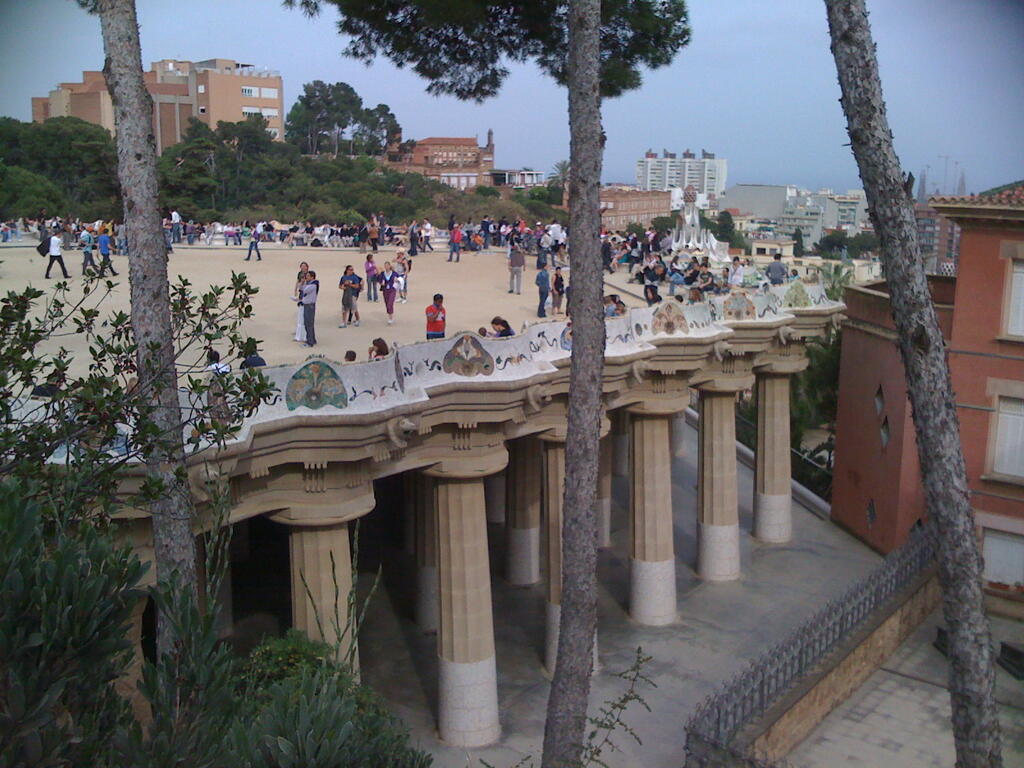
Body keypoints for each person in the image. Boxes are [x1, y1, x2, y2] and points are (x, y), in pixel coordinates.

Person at [297, 270, 319, 347]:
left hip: (310, 306)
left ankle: (310, 342)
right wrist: (302, 282)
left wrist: (304, 282)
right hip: (307, 305)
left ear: (312, 277)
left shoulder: (313, 285)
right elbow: (300, 288)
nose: (306, 277)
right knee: (309, 323)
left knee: (308, 324)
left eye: (308, 276)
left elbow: (305, 290)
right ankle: (312, 339)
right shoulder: (309, 284)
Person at [293, 262, 310, 342]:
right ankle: (299, 333)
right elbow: (298, 282)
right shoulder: (300, 273)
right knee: (300, 315)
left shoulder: (308, 275)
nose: (303, 267)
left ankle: (303, 334)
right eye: (302, 266)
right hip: (301, 294)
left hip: (305, 296)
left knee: (303, 316)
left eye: (304, 266)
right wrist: (295, 290)